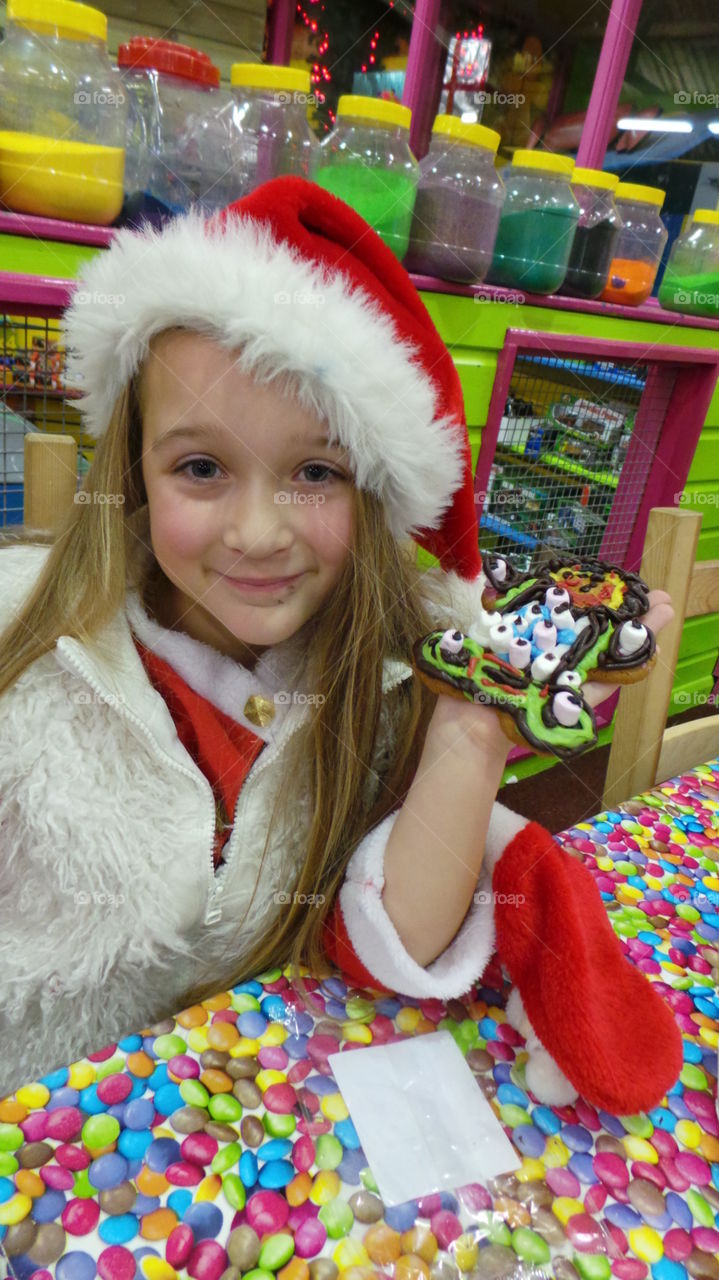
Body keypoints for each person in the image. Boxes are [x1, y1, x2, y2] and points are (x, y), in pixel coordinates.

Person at [0, 177, 681, 1112]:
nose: (256, 531)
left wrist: (472, 728)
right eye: (201, 466)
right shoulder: (24, 660)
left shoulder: (377, 672)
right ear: (133, 471)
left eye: (315, 472)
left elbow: (389, 937)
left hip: (239, 1145)